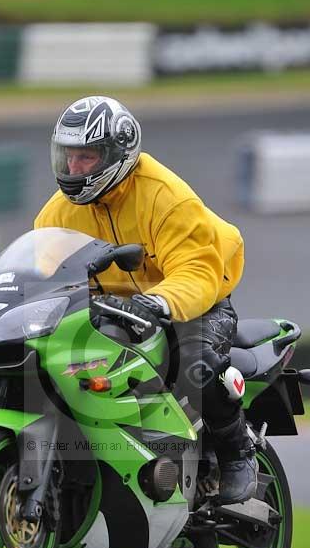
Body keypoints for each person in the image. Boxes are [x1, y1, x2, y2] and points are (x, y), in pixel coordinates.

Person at [34, 95, 257, 505]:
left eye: (86, 157)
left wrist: (160, 302)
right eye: (68, 157)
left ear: (117, 153)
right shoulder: (57, 213)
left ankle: (237, 454)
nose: (73, 169)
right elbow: (42, 275)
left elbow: (196, 271)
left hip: (196, 297)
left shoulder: (167, 197)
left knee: (194, 362)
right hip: (113, 306)